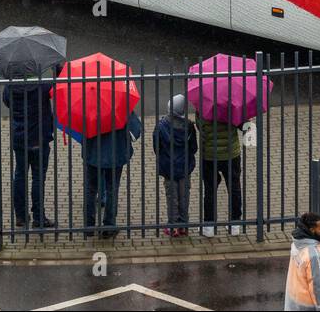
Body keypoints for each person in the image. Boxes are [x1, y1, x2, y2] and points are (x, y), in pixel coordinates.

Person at [2, 69, 57, 229]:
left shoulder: (9, 88)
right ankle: (39, 218)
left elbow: (7, 102)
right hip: (40, 137)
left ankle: (20, 216)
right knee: (38, 178)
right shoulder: (43, 86)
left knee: (19, 175)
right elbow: (59, 88)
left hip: (20, 138)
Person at [81, 109, 143, 239]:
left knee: (90, 189)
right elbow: (136, 130)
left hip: (93, 153)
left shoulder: (88, 104)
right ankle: (109, 226)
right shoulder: (120, 103)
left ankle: (89, 226)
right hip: (115, 153)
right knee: (112, 189)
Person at [152, 95, 198, 236]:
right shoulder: (189, 126)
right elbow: (194, 148)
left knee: (171, 196)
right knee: (184, 195)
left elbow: (156, 147)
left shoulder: (161, 126)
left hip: (169, 167)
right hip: (184, 167)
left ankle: (173, 226)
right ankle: (184, 225)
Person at [196, 108, 243, 237]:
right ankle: (235, 224)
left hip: (210, 155)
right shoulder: (233, 105)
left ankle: (209, 226)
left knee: (210, 189)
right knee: (234, 187)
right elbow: (242, 125)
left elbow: (200, 127)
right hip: (231, 153)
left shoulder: (202, 105)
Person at [284, 212, 320, 310]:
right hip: (311, 305)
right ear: (312, 230)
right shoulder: (313, 255)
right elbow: (317, 287)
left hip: (297, 299)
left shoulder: (298, 243)